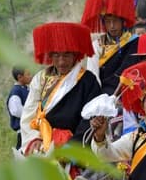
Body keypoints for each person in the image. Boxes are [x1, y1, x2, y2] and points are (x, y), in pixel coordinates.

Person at [20, 22, 101, 155]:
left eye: (66, 55)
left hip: (73, 147)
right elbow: (28, 115)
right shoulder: (40, 79)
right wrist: (35, 140)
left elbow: (90, 120)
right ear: (50, 56)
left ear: (75, 55)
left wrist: (70, 148)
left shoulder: (88, 81)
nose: (61, 61)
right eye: (56, 56)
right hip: (40, 144)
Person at [83, 0, 139, 95]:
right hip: (105, 94)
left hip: (131, 91)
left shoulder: (135, 41)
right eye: (108, 22)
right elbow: (93, 75)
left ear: (123, 21)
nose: (112, 26)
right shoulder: (97, 45)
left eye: (115, 21)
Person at [6, 67, 32, 149]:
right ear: (20, 77)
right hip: (24, 131)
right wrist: (33, 114)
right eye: (28, 74)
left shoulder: (27, 89)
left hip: (30, 129)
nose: (30, 76)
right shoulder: (16, 91)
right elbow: (16, 110)